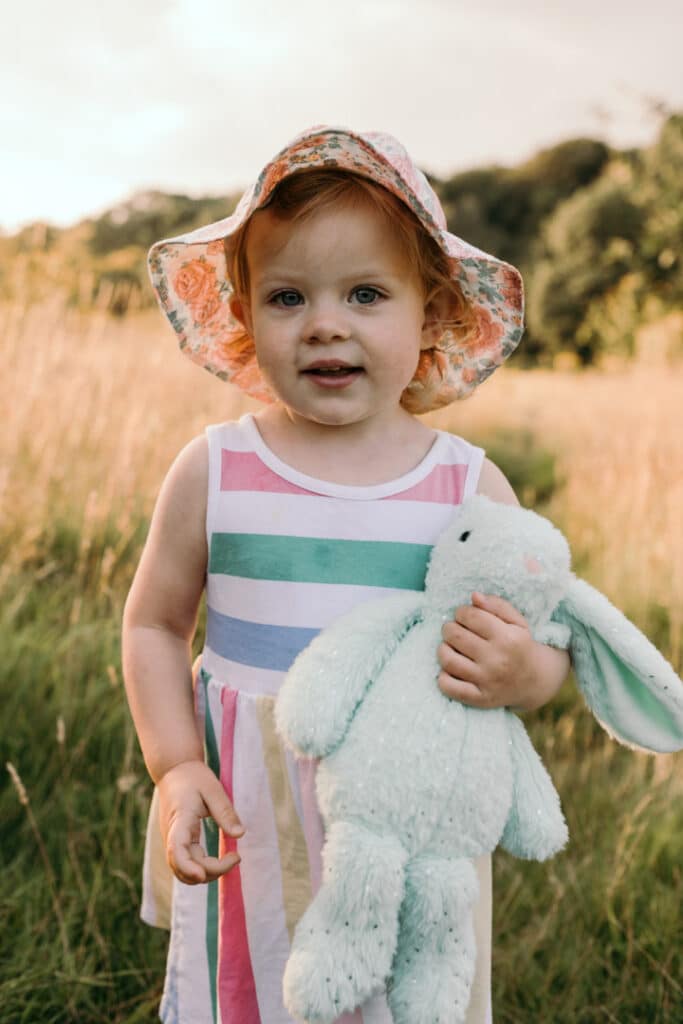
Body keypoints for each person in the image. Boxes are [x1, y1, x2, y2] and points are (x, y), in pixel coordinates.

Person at [122, 126, 571, 1024]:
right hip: (247, 805)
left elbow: (546, 641)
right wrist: (174, 767)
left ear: (431, 310)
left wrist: (527, 673)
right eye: (288, 296)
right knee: (243, 988)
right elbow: (153, 626)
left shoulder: (464, 485)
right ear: (246, 316)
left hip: (409, 817)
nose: (326, 322)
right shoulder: (214, 470)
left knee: (404, 997)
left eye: (365, 293)